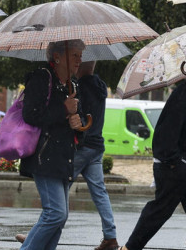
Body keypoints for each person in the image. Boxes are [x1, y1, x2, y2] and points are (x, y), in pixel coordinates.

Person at [17, 40, 90, 250]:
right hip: (44, 155)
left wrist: (78, 125)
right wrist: (64, 110)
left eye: (80, 55)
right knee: (55, 213)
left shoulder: (73, 85)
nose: (79, 60)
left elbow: (78, 125)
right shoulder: (42, 77)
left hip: (63, 158)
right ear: (57, 57)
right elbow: (31, 115)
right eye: (75, 55)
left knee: (60, 217)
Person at [122, 78, 186, 250]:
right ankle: (130, 247)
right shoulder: (183, 95)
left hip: (183, 165)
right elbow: (167, 132)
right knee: (161, 209)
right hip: (175, 166)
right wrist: (173, 162)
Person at [75, 60, 119, 250]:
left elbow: (78, 117)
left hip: (82, 146)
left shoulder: (81, 87)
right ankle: (110, 237)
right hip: (96, 146)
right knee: (100, 192)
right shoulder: (101, 87)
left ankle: (41, 234)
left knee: (57, 187)